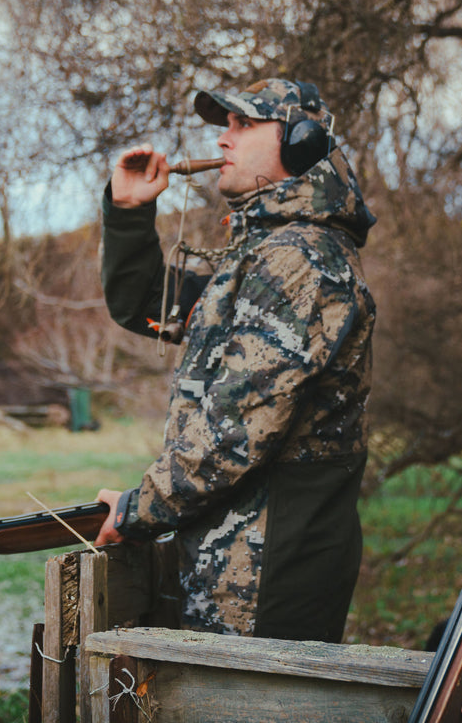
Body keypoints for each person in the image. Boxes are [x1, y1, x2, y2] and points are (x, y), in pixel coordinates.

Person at [92, 78, 375, 643]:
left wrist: (136, 510)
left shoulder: (302, 262)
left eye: (244, 125)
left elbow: (234, 431)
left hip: (271, 574)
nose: (223, 139)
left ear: (301, 143)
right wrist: (127, 211)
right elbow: (149, 306)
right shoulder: (262, 258)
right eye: (224, 125)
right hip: (237, 563)